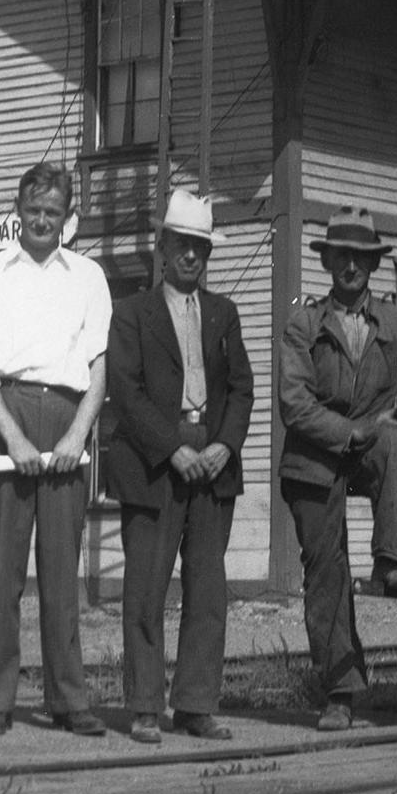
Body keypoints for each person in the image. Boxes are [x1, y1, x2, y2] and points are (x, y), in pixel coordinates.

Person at [0, 162, 112, 738]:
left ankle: (69, 699)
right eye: (32, 211)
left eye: (53, 212)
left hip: (68, 417)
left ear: (68, 217)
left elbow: (98, 367)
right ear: (16, 212)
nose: (42, 221)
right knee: (3, 573)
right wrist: (14, 438)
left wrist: (78, 435)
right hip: (5, 415)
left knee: (60, 570)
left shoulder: (89, 277)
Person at [105, 189, 253, 744]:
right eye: (182, 245)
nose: (191, 256)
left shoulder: (223, 313)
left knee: (207, 589)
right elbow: (125, 389)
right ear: (162, 246)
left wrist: (224, 446)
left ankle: (195, 705)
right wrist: (173, 448)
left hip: (213, 466)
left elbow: (241, 388)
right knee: (145, 589)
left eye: (201, 248)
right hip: (153, 464)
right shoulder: (132, 313)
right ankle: (145, 705)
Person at [279, 206, 397, 731]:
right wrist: (353, 432)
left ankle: (390, 560)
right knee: (326, 575)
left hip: (374, 447)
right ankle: (339, 693)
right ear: (328, 261)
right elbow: (294, 406)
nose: (351, 266)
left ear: (372, 262)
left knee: (396, 435)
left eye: (361, 257)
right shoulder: (302, 322)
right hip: (313, 458)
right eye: (342, 255)